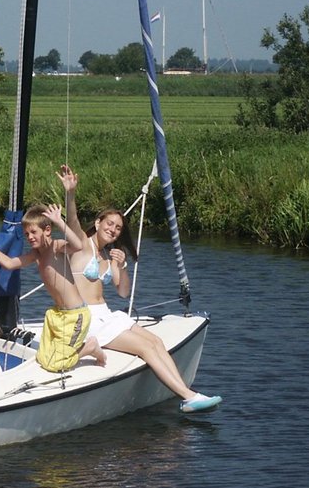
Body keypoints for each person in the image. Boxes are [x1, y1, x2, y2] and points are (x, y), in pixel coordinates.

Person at [57, 164, 222, 412]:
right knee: (145, 348)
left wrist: (120, 266)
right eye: (109, 224)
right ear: (98, 223)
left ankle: (188, 393)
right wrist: (70, 193)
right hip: (89, 320)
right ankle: (187, 396)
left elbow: (123, 292)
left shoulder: (108, 256)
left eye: (118, 228)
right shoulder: (81, 245)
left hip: (106, 315)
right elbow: (72, 220)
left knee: (155, 341)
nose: (113, 230)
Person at [0, 203, 106, 373]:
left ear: (47, 230)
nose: (30, 237)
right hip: (57, 314)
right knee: (42, 358)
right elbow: (10, 263)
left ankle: (90, 347)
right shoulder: (36, 254)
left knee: (56, 364)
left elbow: (78, 245)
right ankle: (76, 348)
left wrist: (59, 221)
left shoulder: (56, 247)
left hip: (75, 315)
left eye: (33, 232)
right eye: (27, 234)